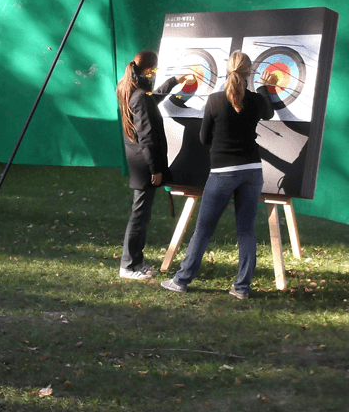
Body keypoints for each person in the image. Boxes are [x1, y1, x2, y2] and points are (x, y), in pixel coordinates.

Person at [162, 51, 277, 299]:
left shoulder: (214, 100)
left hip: (222, 172)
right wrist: (266, 87)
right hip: (252, 171)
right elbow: (269, 114)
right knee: (246, 231)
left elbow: (205, 138)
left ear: (228, 70)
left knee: (203, 230)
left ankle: (181, 280)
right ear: (249, 72)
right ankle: (242, 287)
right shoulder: (257, 100)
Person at [116, 50, 189, 280]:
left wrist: (173, 82)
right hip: (144, 164)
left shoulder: (131, 90)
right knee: (139, 215)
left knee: (143, 214)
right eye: (155, 70)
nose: (155, 74)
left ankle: (137, 262)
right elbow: (147, 136)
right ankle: (128, 266)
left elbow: (151, 99)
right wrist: (155, 169)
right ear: (147, 70)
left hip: (140, 160)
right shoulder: (138, 95)